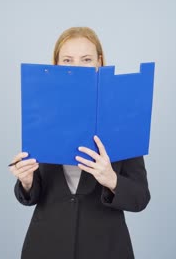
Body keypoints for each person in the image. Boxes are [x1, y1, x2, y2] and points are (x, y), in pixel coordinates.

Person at [9, 27, 150, 259]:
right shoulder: (41, 114)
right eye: (67, 60)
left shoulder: (123, 118)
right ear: (56, 65)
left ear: (99, 63)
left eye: (86, 59)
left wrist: (111, 179)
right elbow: (32, 196)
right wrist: (26, 181)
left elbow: (140, 198)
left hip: (105, 247)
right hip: (46, 246)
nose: (76, 67)